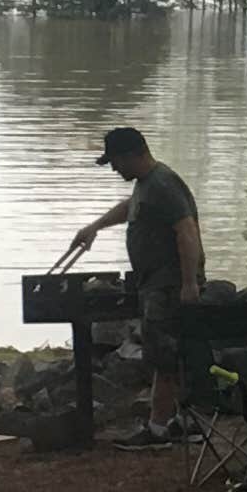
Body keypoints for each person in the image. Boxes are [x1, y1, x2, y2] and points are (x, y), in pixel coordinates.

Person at [64, 125, 203, 446]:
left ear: (132, 154)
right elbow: (131, 207)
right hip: (155, 282)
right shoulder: (146, 185)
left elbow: (187, 231)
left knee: (163, 355)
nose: (113, 168)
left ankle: (157, 429)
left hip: (168, 284)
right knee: (166, 352)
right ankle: (178, 421)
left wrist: (188, 283)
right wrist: (95, 226)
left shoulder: (163, 184)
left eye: (115, 161)